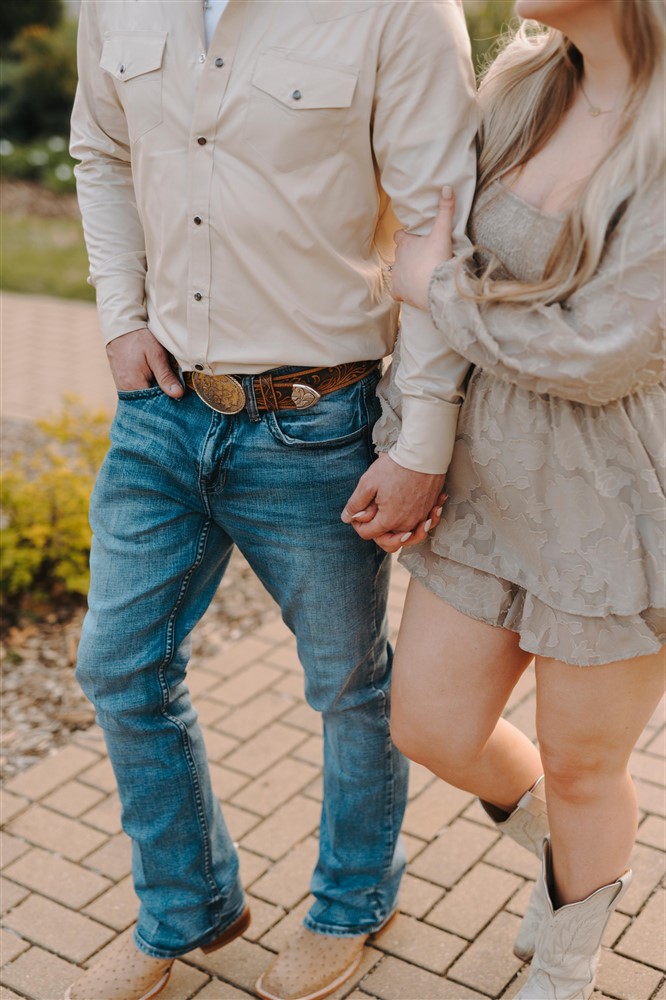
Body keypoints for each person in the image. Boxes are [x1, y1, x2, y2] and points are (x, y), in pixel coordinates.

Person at [65, 2, 477, 999]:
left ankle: (351, 904)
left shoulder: (401, 11)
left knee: (349, 687)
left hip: (318, 421)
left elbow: (441, 225)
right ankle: (185, 906)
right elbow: (100, 148)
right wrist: (120, 315)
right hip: (161, 413)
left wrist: (422, 439)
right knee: (119, 666)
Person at [367, 0, 665, 997]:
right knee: (432, 724)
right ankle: (573, 864)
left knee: (588, 766)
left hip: (614, 501)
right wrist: (419, 433)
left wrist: (439, 288)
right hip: (490, 479)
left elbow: (604, 353)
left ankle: (572, 954)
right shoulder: (522, 84)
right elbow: (436, 244)